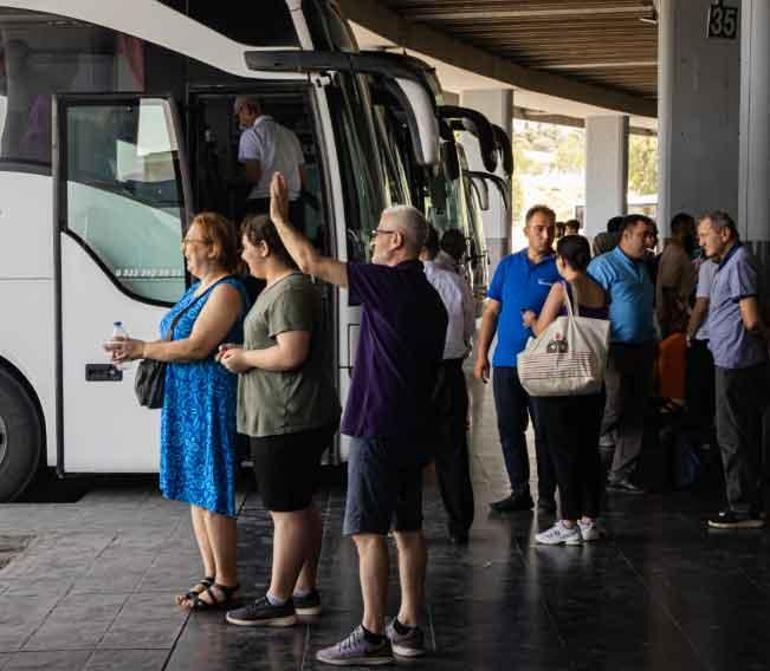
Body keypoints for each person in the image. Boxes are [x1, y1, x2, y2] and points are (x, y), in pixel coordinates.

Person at [266, 173, 447, 665]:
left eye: (377, 232)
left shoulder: (387, 281)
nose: (370, 240)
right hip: (412, 425)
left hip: (377, 424)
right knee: (406, 528)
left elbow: (309, 262)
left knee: (367, 532)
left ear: (397, 241)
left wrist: (280, 219)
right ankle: (407, 625)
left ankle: (371, 634)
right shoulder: (430, 297)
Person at [106, 213, 249, 610]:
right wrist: (136, 347)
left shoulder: (227, 291)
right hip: (186, 398)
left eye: (191, 242)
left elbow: (197, 346)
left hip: (209, 398)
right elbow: (174, 337)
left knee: (212, 486)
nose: (185, 248)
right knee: (194, 488)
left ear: (213, 248)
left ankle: (228, 581)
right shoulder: (197, 289)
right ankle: (211, 574)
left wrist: (142, 349)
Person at [220, 214, 340, 626]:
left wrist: (243, 358)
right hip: (286, 415)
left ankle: (278, 600)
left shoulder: (289, 290)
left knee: (286, 511)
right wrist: (246, 350)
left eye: (246, 246)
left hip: (286, 418)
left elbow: (291, 353)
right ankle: (304, 591)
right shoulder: (281, 288)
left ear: (264, 247)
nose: (242, 255)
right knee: (301, 505)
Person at [522, 235, 609, 545]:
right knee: (588, 451)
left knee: (563, 453)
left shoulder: (561, 288)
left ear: (561, 260)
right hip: (592, 381)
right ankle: (589, 520)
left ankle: (568, 523)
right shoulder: (599, 289)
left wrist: (530, 319)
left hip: (562, 384)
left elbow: (542, 330)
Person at [474, 205, 559, 514]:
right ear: (526, 231)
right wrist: (482, 353)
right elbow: (492, 311)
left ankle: (548, 494)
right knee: (510, 429)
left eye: (551, 228)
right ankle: (520, 490)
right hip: (507, 362)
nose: (546, 234)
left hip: (544, 364)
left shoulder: (559, 268)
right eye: (539, 227)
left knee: (545, 430)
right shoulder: (508, 266)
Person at [697, 211, 770, 529]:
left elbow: (751, 318)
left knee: (733, 433)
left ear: (724, 233)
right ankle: (751, 502)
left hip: (737, 360)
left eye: (704, 235)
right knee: (741, 431)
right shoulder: (726, 263)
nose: (700, 242)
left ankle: (742, 507)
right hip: (730, 357)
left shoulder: (739, 261)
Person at [588, 214, 656, 494]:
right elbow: (589, 307)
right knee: (613, 405)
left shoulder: (645, 266)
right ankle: (583, 454)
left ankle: (620, 474)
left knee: (636, 411)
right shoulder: (603, 266)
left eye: (653, 235)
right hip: (614, 348)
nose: (651, 241)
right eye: (645, 235)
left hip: (643, 346)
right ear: (626, 236)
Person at [420, 225, 475, 544]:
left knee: (407, 448)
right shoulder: (455, 282)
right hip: (450, 372)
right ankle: (459, 524)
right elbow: (468, 327)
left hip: (415, 373)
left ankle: (406, 522)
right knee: (452, 450)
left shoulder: (407, 282)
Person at [234, 96, 305, 226]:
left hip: (264, 205)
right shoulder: (290, 135)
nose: (240, 121)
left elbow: (253, 176)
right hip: (293, 205)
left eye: (239, 114)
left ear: (247, 109)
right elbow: (302, 176)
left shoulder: (250, 135)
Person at [685, 255, 718, 446]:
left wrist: (690, 332)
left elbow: (701, 304)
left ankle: (701, 435)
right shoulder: (747, 260)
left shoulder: (708, 267)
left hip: (704, 336)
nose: (701, 241)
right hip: (722, 338)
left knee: (700, 388)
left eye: (705, 236)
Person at [656, 212, 697, 337]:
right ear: (683, 232)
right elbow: (668, 290)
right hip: (675, 321)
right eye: (692, 230)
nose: (695, 236)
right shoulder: (674, 254)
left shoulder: (680, 252)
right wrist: (675, 320)